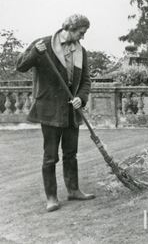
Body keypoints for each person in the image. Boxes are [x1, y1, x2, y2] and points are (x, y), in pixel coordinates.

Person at [16, 14, 95, 212]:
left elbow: (86, 80)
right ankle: (51, 197)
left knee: (71, 154)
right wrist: (35, 52)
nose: (82, 37)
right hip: (49, 110)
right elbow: (21, 66)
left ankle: (74, 190)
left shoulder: (81, 51)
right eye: (81, 32)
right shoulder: (42, 44)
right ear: (70, 27)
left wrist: (81, 98)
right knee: (50, 156)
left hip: (71, 111)